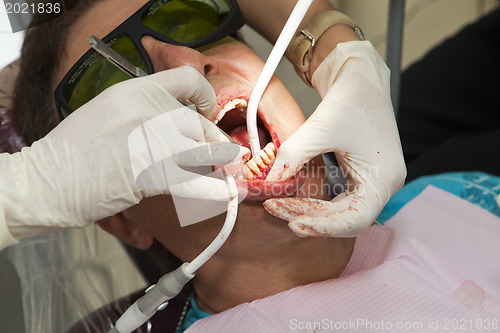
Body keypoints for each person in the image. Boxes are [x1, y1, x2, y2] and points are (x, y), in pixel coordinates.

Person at [8, 0, 500, 332]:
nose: (184, 62)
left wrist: (335, 44)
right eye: (109, 88)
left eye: (195, 25)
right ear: (118, 216)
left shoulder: (464, 191)